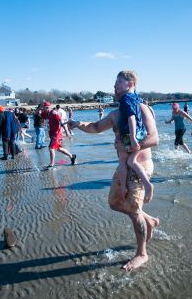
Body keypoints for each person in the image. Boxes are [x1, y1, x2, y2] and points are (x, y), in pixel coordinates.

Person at [67, 70, 159, 271]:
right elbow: (96, 127)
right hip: (123, 167)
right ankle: (149, 220)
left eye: (118, 83)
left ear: (131, 83)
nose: (114, 87)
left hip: (139, 166)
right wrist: (77, 124)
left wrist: (125, 148)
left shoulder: (142, 109)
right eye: (114, 83)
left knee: (134, 211)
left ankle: (142, 254)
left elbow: (153, 139)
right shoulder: (116, 114)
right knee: (115, 203)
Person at [117, 71, 153, 202]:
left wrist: (132, 138)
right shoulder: (135, 97)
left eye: (119, 82)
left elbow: (131, 118)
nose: (116, 85)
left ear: (130, 83)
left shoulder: (125, 99)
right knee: (130, 161)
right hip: (140, 133)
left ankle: (127, 188)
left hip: (132, 134)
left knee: (125, 160)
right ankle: (145, 185)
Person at [41, 102, 76, 169]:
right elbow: (40, 115)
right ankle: (72, 156)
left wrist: (67, 132)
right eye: (45, 108)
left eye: (47, 107)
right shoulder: (47, 113)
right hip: (52, 133)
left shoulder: (54, 113)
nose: (46, 109)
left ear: (50, 107)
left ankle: (51, 164)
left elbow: (62, 123)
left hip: (57, 133)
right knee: (59, 148)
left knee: (51, 148)